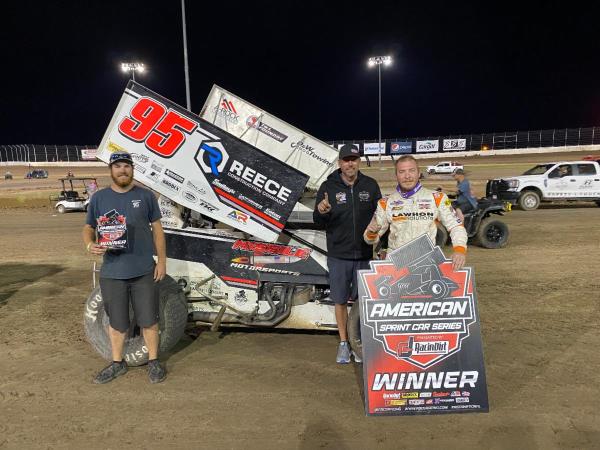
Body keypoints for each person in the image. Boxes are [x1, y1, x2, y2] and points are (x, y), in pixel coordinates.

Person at [82, 151, 167, 384]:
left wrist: (161, 261)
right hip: (112, 272)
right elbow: (88, 227)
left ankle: (153, 361)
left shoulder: (146, 196)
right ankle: (117, 363)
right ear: (111, 170)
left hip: (143, 270)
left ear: (132, 169)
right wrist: (90, 244)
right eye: (118, 166)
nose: (123, 170)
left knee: (149, 319)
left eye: (127, 166)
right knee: (117, 322)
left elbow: (158, 230)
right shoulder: (99, 199)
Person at [314, 143, 382, 364]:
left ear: (359, 161)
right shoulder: (328, 187)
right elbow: (318, 221)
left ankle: (359, 340)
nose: (350, 163)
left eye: (354, 159)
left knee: (363, 301)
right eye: (346, 160)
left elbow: (382, 218)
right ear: (340, 163)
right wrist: (322, 212)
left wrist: (381, 246)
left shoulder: (371, 186)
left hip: (364, 255)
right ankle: (344, 343)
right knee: (341, 301)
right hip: (339, 255)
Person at [364, 155, 468, 271]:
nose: (407, 176)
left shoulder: (437, 198)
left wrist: (459, 250)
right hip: (395, 266)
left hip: (426, 264)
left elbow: (455, 226)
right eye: (402, 172)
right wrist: (371, 233)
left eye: (411, 171)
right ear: (396, 176)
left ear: (419, 173)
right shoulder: (385, 202)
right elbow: (370, 239)